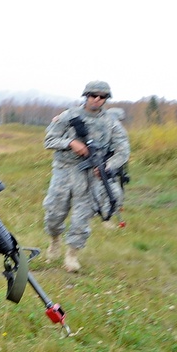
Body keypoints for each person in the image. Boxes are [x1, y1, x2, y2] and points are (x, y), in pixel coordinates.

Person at [43, 80, 130, 271]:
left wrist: (108, 166)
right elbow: (49, 140)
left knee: (82, 216)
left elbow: (123, 150)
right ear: (86, 96)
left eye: (102, 97)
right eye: (93, 95)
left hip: (91, 174)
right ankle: (54, 239)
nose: (97, 100)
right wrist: (70, 143)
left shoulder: (111, 122)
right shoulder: (69, 116)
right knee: (54, 212)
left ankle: (72, 255)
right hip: (65, 170)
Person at [102, 107, 130, 228]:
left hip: (114, 164)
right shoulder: (105, 130)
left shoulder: (118, 130)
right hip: (105, 164)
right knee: (110, 191)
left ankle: (110, 214)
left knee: (115, 191)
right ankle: (106, 218)